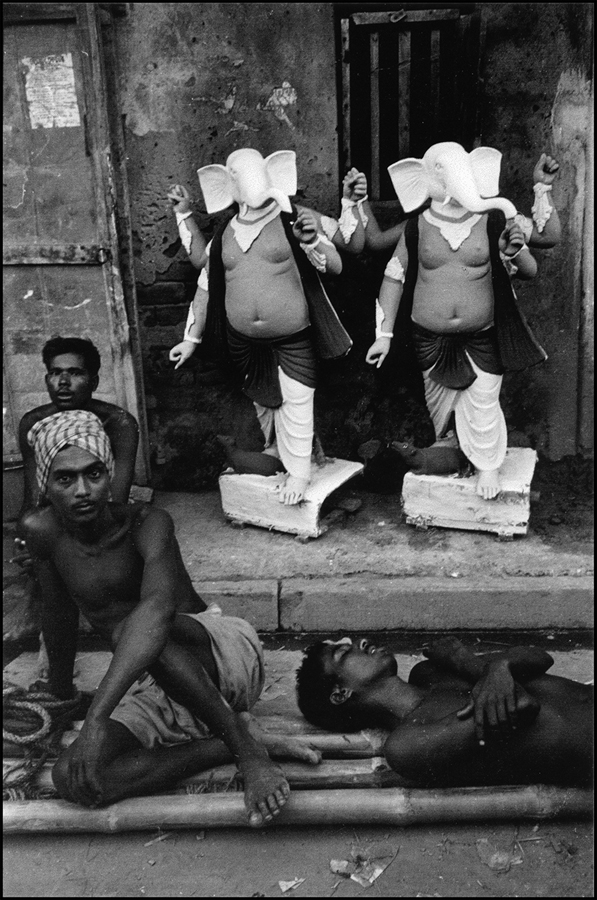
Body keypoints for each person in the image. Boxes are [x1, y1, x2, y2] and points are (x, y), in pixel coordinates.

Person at [21, 409, 320, 825]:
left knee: (138, 624)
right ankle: (228, 742)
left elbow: (158, 612)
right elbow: (58, 616)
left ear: (109, 476)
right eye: (65, 479)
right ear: (45, 486)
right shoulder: (43, 533)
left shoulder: (148, 523)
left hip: (217, 657)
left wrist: (95, 719)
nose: (82, 490)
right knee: (76, 778)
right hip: (149, 680)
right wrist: (60, 694)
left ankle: (245, 750)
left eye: (94, 474)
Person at [167, 150, 368, 505]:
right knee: (265, 402)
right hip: (244, 341)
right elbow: (205, 275)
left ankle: (300, 472)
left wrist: (314, 238)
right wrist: (190, 338)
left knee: (297, 398)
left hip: (292, 337)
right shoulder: (227, 232)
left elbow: (338, 261)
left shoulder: (297, 219)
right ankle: (282, 453)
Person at [360, 149, 561, 499]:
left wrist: (539, 193)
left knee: (482, 402)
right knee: (442, 409)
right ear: (421, 180)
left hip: (481, 337)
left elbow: (541, 250)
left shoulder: (493, 221)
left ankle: (486, 464)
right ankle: (448, 450)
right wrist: (384, 334)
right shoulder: (417, 226)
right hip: (430, 339)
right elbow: (394, 276)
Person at [296, 635, 592, 788]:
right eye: (344, 654)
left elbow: (539, 657)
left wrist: (492, 668)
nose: (361, 642)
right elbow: (521, 706)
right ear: (341, 693)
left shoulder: (429, 673)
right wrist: (469, 661)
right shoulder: (407, 745)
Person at [17, 336, 139, 527]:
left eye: (75, 373)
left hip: (100, 515)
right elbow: (34, 496)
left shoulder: (119, 423)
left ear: (94, 382)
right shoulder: (34, 423)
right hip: (56, 515)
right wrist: (26, 536)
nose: (63, 382)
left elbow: (116, 498)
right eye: (56, 373)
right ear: (47, 379)